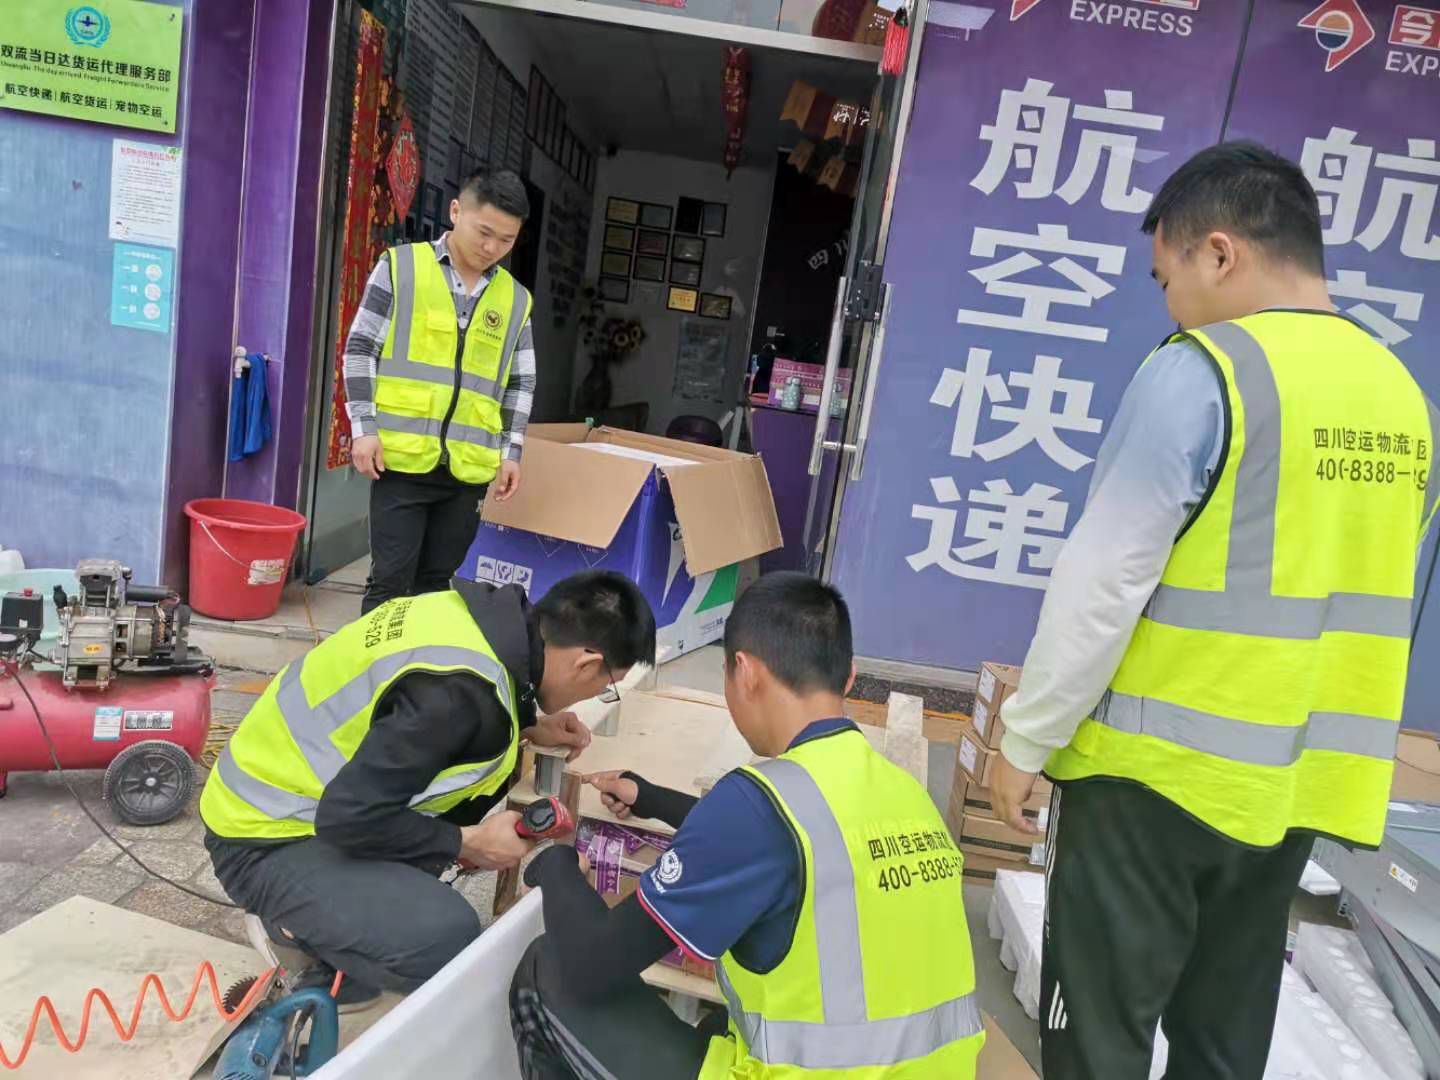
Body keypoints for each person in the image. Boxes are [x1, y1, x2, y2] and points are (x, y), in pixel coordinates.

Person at [988, 142, 1440, 1079]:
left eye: (1167, 277)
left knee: (1098, 1043)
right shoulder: (1403, 399)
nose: (1169, 304)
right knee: (1223, 1044)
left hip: (1150, 788)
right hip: (1290, 793)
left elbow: (1102, 582)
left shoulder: (1206, 371)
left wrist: (1024, 742)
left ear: (1220, 253)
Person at [510, 572, 986, 1079]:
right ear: (847, 677)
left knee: (548, 970)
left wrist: (553, 860)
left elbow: (592, 967)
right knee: (717, 1024)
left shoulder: (754, 806)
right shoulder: (905, 792)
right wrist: (652, 799)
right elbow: (799, 844)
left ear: (745, 671)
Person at [199, 570, 655, 1002]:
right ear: (587, 662)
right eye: (605, 687)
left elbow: (410, 714)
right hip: (261, 839)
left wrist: (529, 724)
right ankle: (294, 932)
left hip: (285, 797)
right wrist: (467, 841)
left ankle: (342, 909)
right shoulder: (456, 696)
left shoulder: (477, 622)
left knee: (427, 859)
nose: (594, 697)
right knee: (447, 938)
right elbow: (348, 815)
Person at [343, 167, 537, 614]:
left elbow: (520, 381)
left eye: (506, 240)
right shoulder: (401, 267)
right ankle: (375, 679)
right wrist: (363, 427)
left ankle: (420, 679)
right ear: (456, 211)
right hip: (401, 460)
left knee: (435, 588)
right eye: (484, 232)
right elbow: (360, 348)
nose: (491, 248)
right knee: (390, 582)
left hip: (467, 472)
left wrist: (512, 452)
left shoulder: (515, 299)